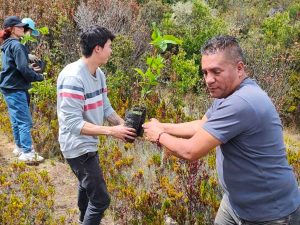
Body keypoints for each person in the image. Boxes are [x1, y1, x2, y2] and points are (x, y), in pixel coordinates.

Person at [143, 36, 300, 224]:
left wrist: (159, 135)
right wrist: (163, 126)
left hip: (270, 213)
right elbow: (201, 126)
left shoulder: (241, 102)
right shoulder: (227, 93)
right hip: (235, 203)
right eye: (205, 72)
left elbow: (190, 150)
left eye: (216, 72)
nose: (209, 80)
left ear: (239, 68)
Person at [56, 25, 136, 225]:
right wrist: (111, 131)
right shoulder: (73, 77)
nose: (111, 50)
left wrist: (121, 124)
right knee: (101, 200)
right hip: (77, 147)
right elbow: (73, 123)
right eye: (109, 46)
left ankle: (84, 220)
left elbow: (105, 106)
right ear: (98, 49)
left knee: (86, 189)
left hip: (89, 143)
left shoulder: (98, 74)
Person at [0, 16, 44, 162]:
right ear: (11, 29)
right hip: (16, 86)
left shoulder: (7, 44)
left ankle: (19, 147)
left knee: (16, 119)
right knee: (24, 121)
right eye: (19, 27)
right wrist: (38, 76)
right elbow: (22, 69)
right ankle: (27, 152)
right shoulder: (17, 45)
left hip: (8, 86)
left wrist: (28, 68)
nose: (22, 28)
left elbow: (13, 67)